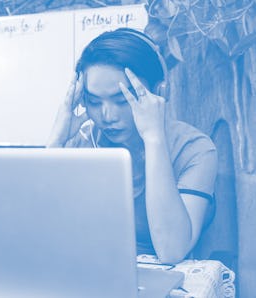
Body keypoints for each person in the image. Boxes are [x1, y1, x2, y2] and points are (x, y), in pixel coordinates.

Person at [47, 28, 217, 264]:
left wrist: (154, 139)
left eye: (122, 100)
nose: (107, 116)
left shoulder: (195, 149)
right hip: (91, 268)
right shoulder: (83, 142)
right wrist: (56, 142)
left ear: (159, 92)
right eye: (94, 102)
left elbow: (172, 250)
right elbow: (44, 232)